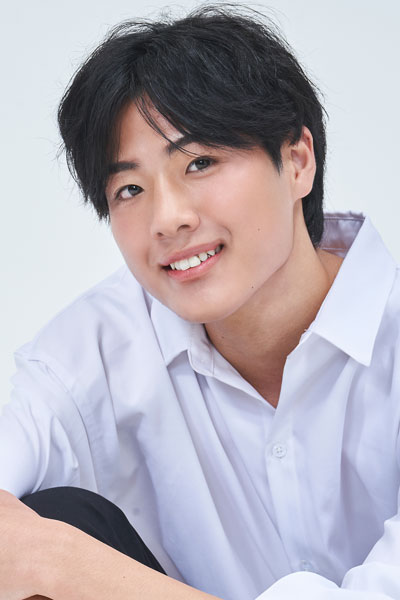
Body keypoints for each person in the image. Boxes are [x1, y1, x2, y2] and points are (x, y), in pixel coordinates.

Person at [1, 4, 400, 600]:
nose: (167, 219)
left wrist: (62, 564)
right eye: (129, 189)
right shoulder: (98, 349)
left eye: (200, 162)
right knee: (55, 515)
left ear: (297, 160)